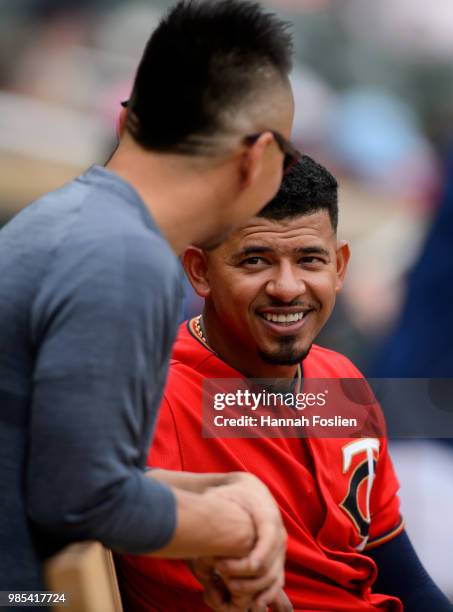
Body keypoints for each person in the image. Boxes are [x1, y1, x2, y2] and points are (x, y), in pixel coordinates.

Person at [0, 0, 298, 598]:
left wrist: (229, 495)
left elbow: (72, 462)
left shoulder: (73, 221)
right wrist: (238, 528)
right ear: (258, 157)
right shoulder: (125, 257)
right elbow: (82, 499)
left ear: (126, 121)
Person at [117, 156, 453, 611]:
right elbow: (68, 499)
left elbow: (402, 576)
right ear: (199, 271)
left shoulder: (341, 381)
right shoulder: (151, 391)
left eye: (309, 260)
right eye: (255, 260)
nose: (287, 287)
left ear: (339, 267)